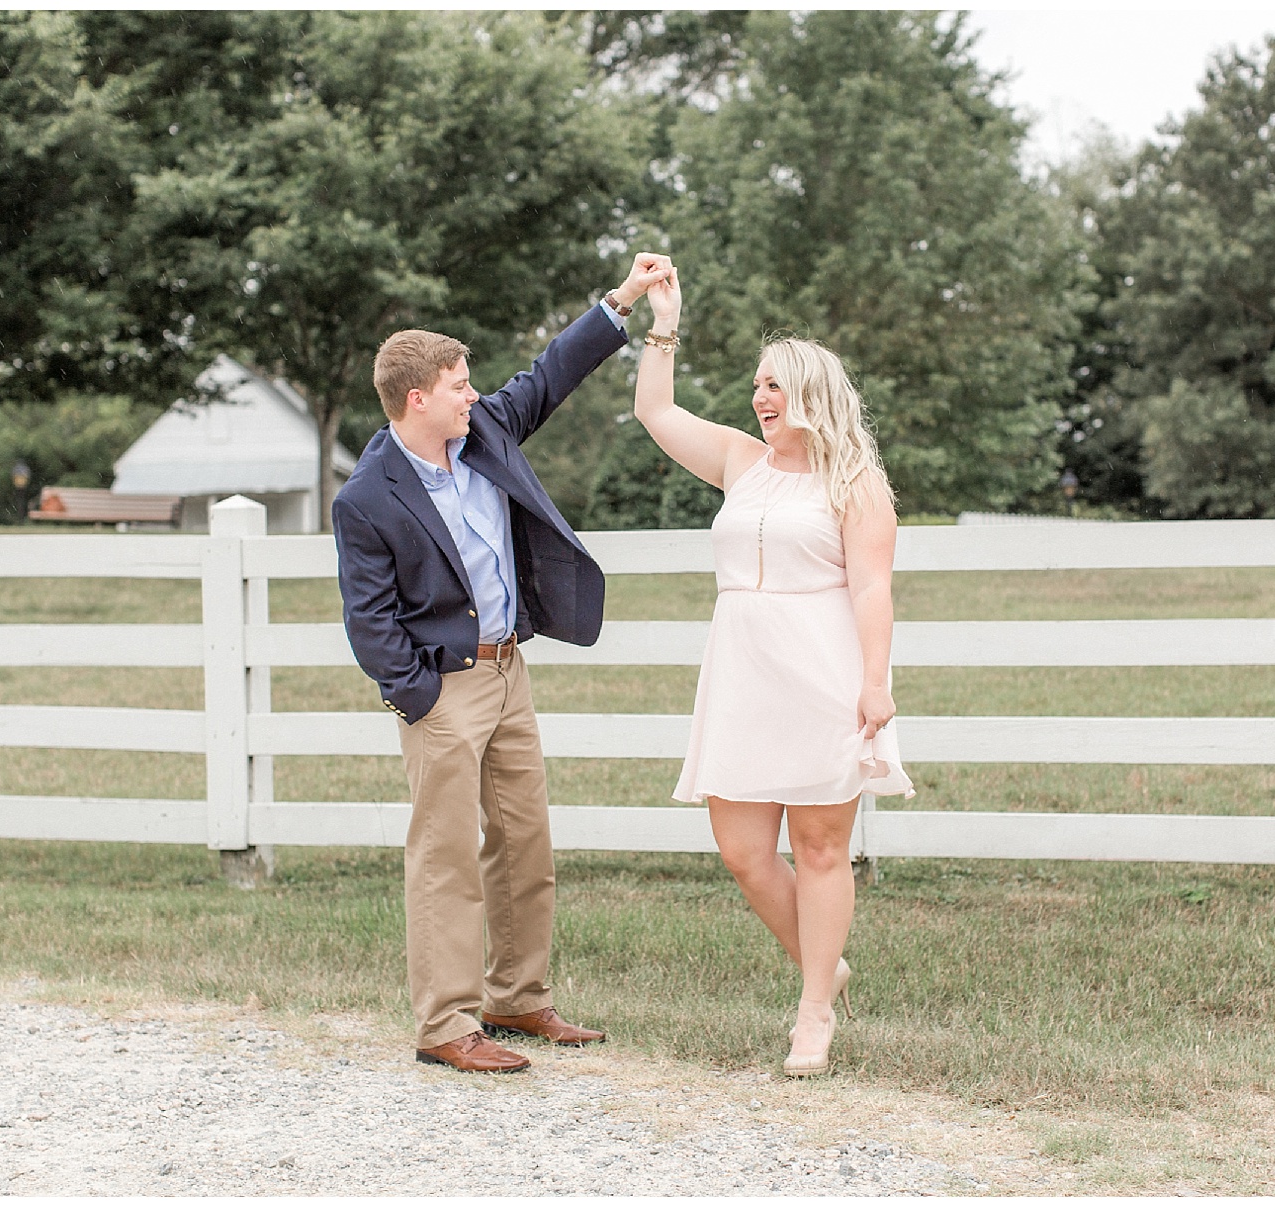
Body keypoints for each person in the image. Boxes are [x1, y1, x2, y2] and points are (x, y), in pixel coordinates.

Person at [333, 253, 673, 1073]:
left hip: (509, 670)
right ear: (418, 398)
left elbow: (550, 374)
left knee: (524, 840)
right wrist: (420, 695)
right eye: (459, 385)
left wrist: (624, 298)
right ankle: (445, 1024)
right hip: (443, 689)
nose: (474, 395)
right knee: (446, 857)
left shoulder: (483, 429)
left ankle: (517, 996)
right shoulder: (366, 496)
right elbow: (369, 619)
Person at [630, 266, 913, 1077]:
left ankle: (814, 1008)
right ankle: (826, 963)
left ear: (812, 394)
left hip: (822, 672)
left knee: (821, 847)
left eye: (776, 385)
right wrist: (664, 324)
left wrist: (876, 682)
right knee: (743, 850)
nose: (761, 397)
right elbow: (655, 412)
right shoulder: (738, 461)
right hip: (741, 672)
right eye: (757, 384)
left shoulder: (856, 483)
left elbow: (873, 588)